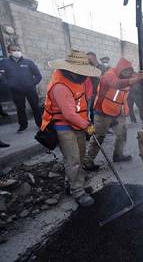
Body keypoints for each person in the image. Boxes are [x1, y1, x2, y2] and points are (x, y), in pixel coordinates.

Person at [41, 50, 101, 207]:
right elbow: (68, 114)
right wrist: (87, 125)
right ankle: (78, 192)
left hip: (78, 124)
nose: (85, 75)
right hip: (64, 127)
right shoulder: (60, 86)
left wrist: (86, 121)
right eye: (82, 72)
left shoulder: (77, 80)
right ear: (71, 70)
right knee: (73, 160)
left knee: (80, 158)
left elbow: (80, 105)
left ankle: (74, 184)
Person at [83, 58, 143, 170]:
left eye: (129, 72)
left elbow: (139, 78)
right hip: (102, 111)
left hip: (117, 112)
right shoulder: (109, 75)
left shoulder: (130, 76)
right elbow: (117, 84)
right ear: (119, 69)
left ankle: (118, 155)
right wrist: (136, 79)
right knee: (99, 136)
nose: (127, 74)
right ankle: (88, 161)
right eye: (125, 71)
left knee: (122, 134)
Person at [0, 44, 42, 132]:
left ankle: (40, 124)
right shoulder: (4, 62)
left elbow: (38, 75)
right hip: (16, 90)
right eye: (14, 50)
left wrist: (32, 84)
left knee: (35, 107)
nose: (16, 52)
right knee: (20, 108)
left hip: (30, 89)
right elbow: (2, 76)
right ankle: (23, 125)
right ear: (9, 52)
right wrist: (9, 85)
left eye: (18, 50)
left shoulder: (28, 62)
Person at [87, 52, 109, 122]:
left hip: (101, 95)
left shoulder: (103, 68)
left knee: (101, 112)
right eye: (88, 59)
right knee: (92, 112)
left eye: (90, 59)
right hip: (90, 94)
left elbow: (108, 80)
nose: (89, 61)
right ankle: (94, 128)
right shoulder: (88, 68)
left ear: (95, 58)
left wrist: (98, 76)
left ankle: (104, 128)